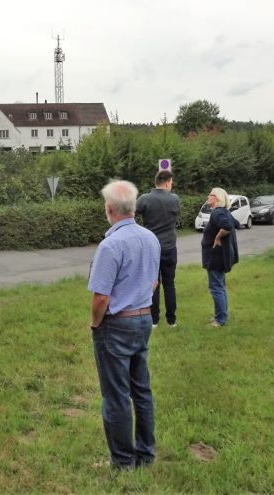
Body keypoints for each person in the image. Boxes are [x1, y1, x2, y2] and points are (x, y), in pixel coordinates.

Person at [88, 180, 161, 469]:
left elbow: (101, 297)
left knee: (116, 395)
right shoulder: (151, 238)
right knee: (141, 390)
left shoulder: (110, 245)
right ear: (132, 207)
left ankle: (122, 461)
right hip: (143, 318)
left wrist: (96, 324)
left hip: (117, 324)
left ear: (109, 208)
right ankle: (145, 454)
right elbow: (154, 282)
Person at [135, 169, 181, 328]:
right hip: (169, 247)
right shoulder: (175, 199)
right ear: (167, 183)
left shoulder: (144, 199)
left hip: (151, 247)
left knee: (153, 283)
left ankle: (154, 320)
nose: (171, 186)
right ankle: (171, 320)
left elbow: (130, 215)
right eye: (171, 183)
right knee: (169, 283)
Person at [200, 187, 241, 327]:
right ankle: (221, 316)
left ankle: (220, 320)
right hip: (220, 256)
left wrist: (218, 237)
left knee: (216, 288)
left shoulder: (217, 213)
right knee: (220, 287)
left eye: (211, 195)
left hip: (215, 257)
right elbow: (237, 224)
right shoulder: (224, 212)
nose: (208, 196)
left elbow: (228, 225)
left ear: (217, 198)